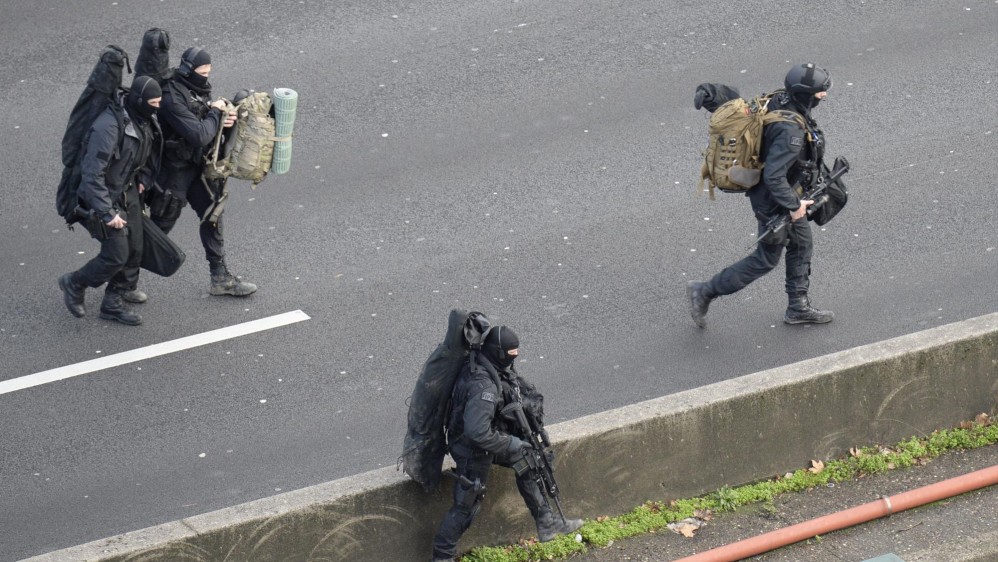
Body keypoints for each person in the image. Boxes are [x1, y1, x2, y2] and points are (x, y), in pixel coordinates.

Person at [687, 63, 835, 328]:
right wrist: (793, 206)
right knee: (766, 258)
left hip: (777, 194)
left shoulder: (779, 99)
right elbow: (774, 176)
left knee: (801, 244)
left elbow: (741, 107)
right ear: (804, 94)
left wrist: (711, 93)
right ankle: (704, 291)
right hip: (775, 199)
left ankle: (798, 307)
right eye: (818, 92)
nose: (823, 96)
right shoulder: (791, 133)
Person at [430, 326, 583, 562]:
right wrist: (511, 443)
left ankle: (546, 522)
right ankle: (442, 556)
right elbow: (476, 433)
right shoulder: (484, 386)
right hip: (470, 448)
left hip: (485, 440)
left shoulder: (489, 366)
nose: (513, 359)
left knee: (528, 459)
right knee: (467, 505)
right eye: (510, 354)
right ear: (498, 353)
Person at [137, 46, 256, 301]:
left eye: (208, 72)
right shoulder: (171, 96)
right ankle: (119, 283)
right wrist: (215, 113)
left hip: (196, 166)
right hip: (173, 172)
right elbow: (198, 133)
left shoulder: (197, 90)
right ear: (187, 71)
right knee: (158, 231)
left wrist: (224, 121)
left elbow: (206, 127)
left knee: (212, 213)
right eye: (202, 72)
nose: (206, 77)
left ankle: (220, 277)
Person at [58, 76, 162, 325]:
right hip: (100, 198)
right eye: (154, 102)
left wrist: (144, 179)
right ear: (139, 101)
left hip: (126, 191)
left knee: (135, 248)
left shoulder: (141, 118)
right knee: (116, 254)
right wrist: (107, 212)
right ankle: (74, 283)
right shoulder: (107, 127)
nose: (157, 107)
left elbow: (145, 151)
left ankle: (112, 303)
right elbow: (91, 175)